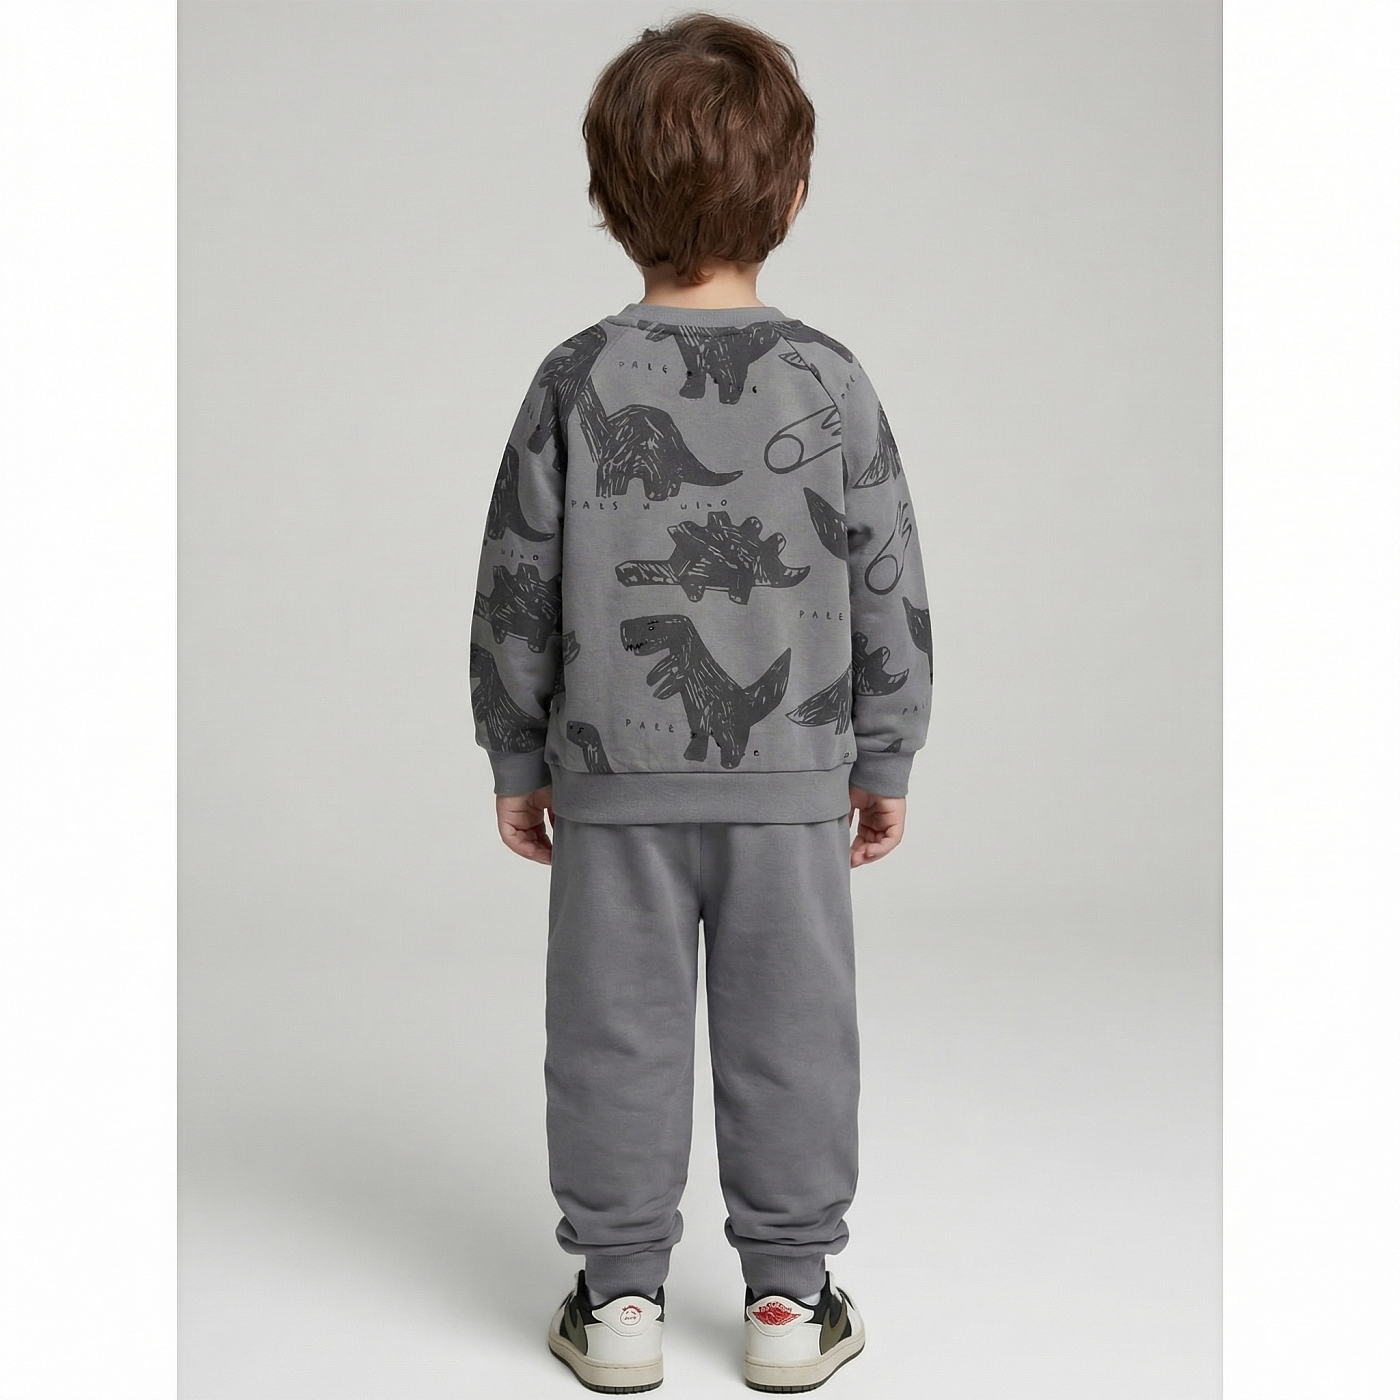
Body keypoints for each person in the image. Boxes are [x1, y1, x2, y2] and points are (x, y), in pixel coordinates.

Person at [469, 12, 933, 1391]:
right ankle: (790, 1300)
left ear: (609, 195)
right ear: (793, 192)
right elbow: (887, 574)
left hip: (612, 783)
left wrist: (515, 752)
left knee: (612, 1036)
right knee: (794, 1034)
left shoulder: (574, 378)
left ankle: (620, 1300)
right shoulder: (830, 378)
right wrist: (886, 754)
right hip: (791, 783)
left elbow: (514, 578)